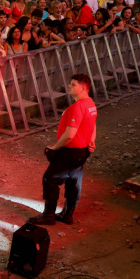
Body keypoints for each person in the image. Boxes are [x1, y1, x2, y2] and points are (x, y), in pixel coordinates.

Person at [28, 74, 97, 225]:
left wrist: (54, 146)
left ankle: (48, 216)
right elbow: (92, 125)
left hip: (70, 152)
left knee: (50, 179)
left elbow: (70, 134)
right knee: (73, 180)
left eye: (73, 84)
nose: (69, 86)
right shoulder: (90, 104)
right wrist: (91, 142)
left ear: (83, 88)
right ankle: (67, 214)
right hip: (83, 151)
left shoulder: (77, 107)